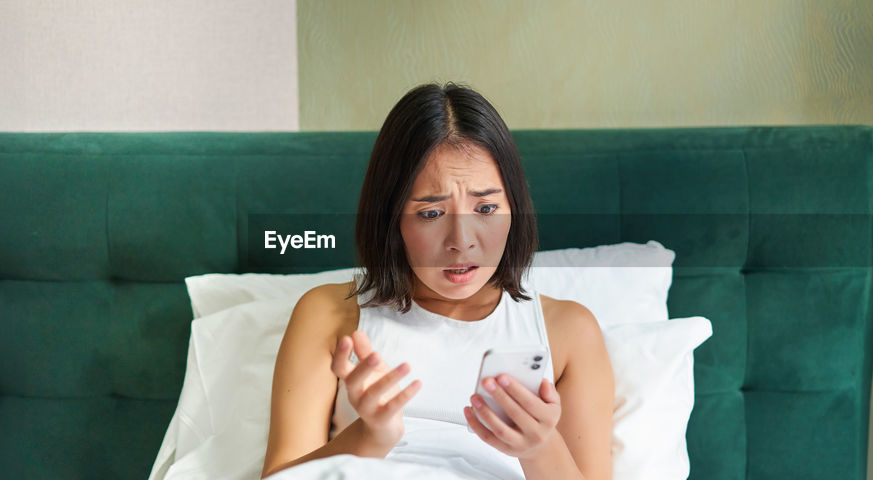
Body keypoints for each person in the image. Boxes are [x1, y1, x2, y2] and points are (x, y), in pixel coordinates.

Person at [261, 82, 613, 480]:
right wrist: (372, 435)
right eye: (431, 214)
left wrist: (539, 447)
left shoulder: (569, 331)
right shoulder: (328, 314)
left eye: (486, 207)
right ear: (390, 218)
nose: (461, 242)